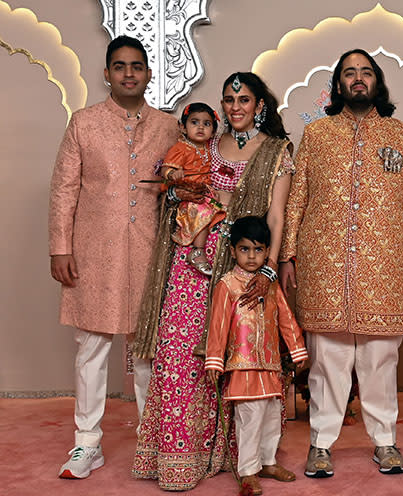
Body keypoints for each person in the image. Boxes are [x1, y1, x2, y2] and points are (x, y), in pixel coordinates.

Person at [132, 72, 294, 490]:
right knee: (185, 355)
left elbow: (276, 216)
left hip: (244, 266)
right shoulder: (201, 144)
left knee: (237, 359)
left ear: (260, 105)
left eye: (243, 99)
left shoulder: (276, 151)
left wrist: (270, 270)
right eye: (228, 99)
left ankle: (242, 457)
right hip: (192, 259)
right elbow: (177, 187)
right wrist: (174, 195)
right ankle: (180, 455)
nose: (235, 107)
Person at [279, 48, 403, 477]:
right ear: (339, 84)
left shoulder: (402, 136)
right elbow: (298, 199)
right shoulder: (318, 134)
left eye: (366, 72)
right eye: (350, 73)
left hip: (385, 264)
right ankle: (321, 445)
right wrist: (288, 252)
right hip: (324, 263)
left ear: (377, 82)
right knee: (327, 361)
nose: (358, 79)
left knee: (380, 360)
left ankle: (384, 441)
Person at [49, 35, 179, 479]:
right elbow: (64, 188)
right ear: (106, 73)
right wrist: (60, 247)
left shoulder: (168, 126)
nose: (128, 73)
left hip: (151, 252)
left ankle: (153, 442)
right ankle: (87, 445)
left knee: (147, 352)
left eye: (137, 66)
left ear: (147, 73)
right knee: (92, 348)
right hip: (93, 253)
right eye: (120, 66)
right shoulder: (83, 123)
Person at [204, 216, 307, 495]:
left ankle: (268, 462)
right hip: (243, 366)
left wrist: (297, 349)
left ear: (266, 251)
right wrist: (214, 359)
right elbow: (218, 324)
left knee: (273, 416)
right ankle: (248, 472)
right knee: (250, 419)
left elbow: (285, 318)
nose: (251, 256)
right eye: (245, 249)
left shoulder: (269, 285)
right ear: (232, 251)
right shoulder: (228, 285)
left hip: (271, 365)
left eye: (259, 250)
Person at [160, 102, 221, 276]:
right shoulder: (181, 148)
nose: (200, 127)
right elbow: (165, 170)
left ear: (214, 131)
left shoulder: (211, 149)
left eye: (206, 124)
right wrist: (173, 174)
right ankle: (197, 251)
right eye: (194, 122)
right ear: (183, 127)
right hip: (189, 196)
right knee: (203, 212)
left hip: (206, 193)